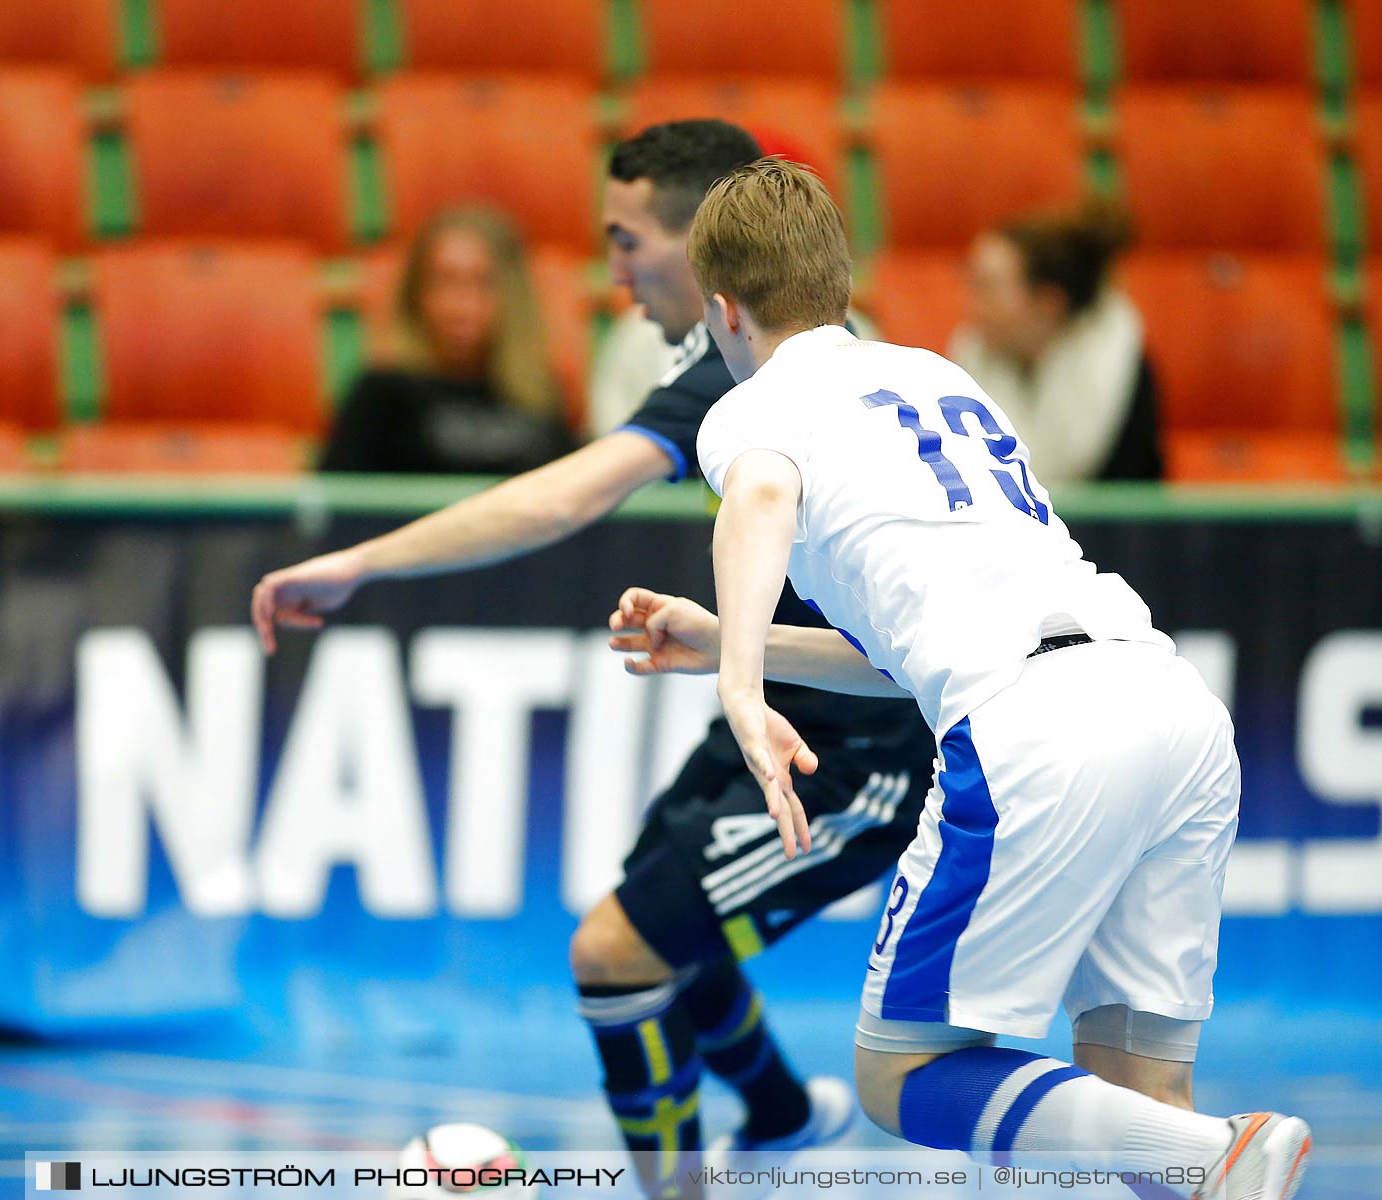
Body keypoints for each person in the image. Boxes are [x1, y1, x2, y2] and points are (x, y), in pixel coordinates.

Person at [252, 121, 939, 1200]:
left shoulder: (750, 373)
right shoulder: (789, 355)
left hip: (866, 751)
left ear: (703, 248)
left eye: (627, 243)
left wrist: (360, 564)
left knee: (617, 952)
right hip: (784, 711)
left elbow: (564, 495)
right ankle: (782, 1114)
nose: (613, 272)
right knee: (658, 920)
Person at [607, 159, 1310, 1199]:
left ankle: (1213, 1151)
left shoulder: (749, 407)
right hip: (1163, 702)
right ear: (835, 284)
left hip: (1036, 728)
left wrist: (741, 687)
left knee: (904, 1075)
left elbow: (757, 495)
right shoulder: (938, 374)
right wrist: (727, 639)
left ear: (724, 310)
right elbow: (917, 652)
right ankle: (1207, 1155)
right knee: (1136, 1096)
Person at [322, 206, 576, 474]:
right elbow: (336, 504)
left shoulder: (539, 397)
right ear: (416, 294)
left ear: (512, 296)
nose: (461, 306)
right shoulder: (380, 396)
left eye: (482, 283)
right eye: (444, 282)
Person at [951, 197, 1163, 488]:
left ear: (1048, 303)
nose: (973, 307)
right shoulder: (971, 359)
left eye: (988, 288)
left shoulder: (1124, 374)